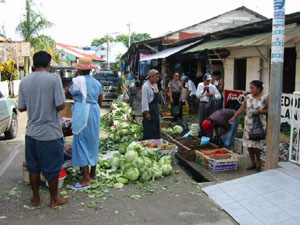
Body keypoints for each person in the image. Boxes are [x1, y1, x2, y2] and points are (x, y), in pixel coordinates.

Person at [18, 51, 67, 207]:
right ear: (48, 64)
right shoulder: (53, 79)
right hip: (50, 133)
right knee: (52, 168)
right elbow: (60, 105)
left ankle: (35, 198)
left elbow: (21, 107)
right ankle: (54, 199)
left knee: (33, 167)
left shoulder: (24, 81)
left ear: (34, 63)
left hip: (31, 132)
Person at [67, 57, 103, 190]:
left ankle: (85, 178)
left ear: (79, 70)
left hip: (83, 111)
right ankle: (93, 173)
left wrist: (77, 75)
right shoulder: (97, 83)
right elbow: (100, 98)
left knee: (81, 142)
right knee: (93, 141)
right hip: (94, 111)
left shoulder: (77, 80)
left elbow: (68, 91)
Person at [229, 80, 268, 172]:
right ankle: (252, 162)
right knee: (249, 145)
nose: (251, 90)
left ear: (259, 89)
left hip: (259, 124)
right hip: (248, 123)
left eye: (253, 88)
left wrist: (259, 111)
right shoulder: (248, 97)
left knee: (256, 145)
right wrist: (234, 117)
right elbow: (242, 109)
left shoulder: (265, 97)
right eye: (250, 88)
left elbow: (268, 110)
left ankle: (258, 162)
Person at [142, 69, 160, 140]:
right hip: (149, 110)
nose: (158, 79)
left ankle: (156, 143)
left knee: (156, 128)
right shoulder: (146, 86)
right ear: (151, 77)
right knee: (149, 129)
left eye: (158, 77)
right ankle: (148, 144)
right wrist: (147, 113)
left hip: (155, 109)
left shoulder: (155, 85)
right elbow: (144, 100)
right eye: (156, 77)